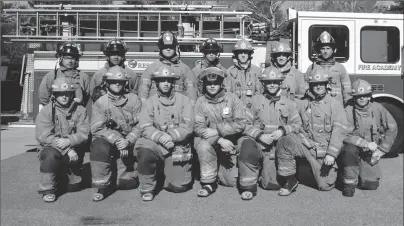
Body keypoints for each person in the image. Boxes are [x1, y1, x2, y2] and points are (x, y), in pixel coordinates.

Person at [275, 66, 348, 196]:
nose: (318, 86)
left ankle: (332, 171)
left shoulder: (335, 104)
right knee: (285, 141)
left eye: (321, 84)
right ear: (310, 85)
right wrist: (283, 130)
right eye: (315, 84)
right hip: (306, 145)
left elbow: (339, 131)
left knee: (325, 185)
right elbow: (295, 124)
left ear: (326, 85)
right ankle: (290, 180)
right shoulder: (303, 104)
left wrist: (331, 154)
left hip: (324, 151)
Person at [238, 67, 302, 200]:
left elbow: (297, 124)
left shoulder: (289, 103)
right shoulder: (254, 101)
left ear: (280, 83)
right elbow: (244, 124)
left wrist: (282, 131)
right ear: (263, 83)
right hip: (260, 143)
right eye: (268, 82)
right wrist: (259, 135)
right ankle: (249, 187)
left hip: (279, 146)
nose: (272, 84)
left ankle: (290, 180)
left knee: (270, 184)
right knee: (246, 145)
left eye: (275, 81)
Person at [135, 65, 194, 201]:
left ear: (173, 82)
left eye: (169, 80)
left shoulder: (184, 101)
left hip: (176, 145)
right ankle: (147, 188)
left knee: (179, 187)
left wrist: (171, 136)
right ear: (156, 83)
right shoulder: (150, 102)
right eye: (162, 80)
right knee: (144, 149)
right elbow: (145, 126)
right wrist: (161, 137)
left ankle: (163, 173)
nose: (166, 84)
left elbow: (188, 126)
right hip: (156, 144)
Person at [90, 65, 142, 202]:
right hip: (110, 141)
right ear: (107, 83)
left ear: (125, 83)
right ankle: (102, 186)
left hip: (131, 141)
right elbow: (97, 128)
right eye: (113, 81)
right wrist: (118, 140)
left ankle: (131, 172)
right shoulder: (101, 103)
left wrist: (128, 140)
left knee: (126, 184)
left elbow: (141, 124)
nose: (117, 84)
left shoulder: (134, 100)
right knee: (98, 145)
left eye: (120, 81)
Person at [194, 67, 247, 198]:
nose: (212, 86)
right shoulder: (200, 102)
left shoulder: (232, 99)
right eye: (209, 84)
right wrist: (219, 139)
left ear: (221, 84)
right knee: (202, 145)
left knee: (231, 182)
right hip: (210, 142)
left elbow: (241, 123)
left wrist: (217, 130)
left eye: (215, 83)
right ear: (204, 84)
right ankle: (208, 183)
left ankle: (218, 169)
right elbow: (199, 128)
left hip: (230, 144)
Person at [35, 77, 90, 203]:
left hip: (74, 154)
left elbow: (84, 132)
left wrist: (70, 140)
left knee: (73, 187)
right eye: (60, 94)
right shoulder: (46, 111)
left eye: (67, 94)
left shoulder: (80, 110)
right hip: (52, 150)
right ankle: (47, 190)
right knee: (50, 155)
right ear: (54, 95)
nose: (64, 97)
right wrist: (66, 147)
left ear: (72, 94)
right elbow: (44, 136)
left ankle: (63, 175)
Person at [340, 79, 397, 197]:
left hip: (369, 153)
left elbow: (392, 127)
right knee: (349, 150)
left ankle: (359, 171)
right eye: (359, 96)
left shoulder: (378, 108)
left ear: (369, 96)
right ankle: (349, 184)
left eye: (365, 95)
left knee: (371, 185)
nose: (362, 98)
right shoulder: (348, 110)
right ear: (354, 97)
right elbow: (344, 134)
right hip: (353, 149)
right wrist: (365, 144)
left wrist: (381, 150)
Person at [138, 31, 197, 105]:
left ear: (175, 47)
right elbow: (143, 90)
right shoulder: (151, 68)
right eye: (165, 47)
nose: (168, 49)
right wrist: (146, 108)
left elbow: (191, 92)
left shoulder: (185, 69)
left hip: (178, 109)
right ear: (160, 47)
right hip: (155, 109)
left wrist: (190, 110)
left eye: (171, 46)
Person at [39, 42, 90, 110]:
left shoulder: (83, 77)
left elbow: (86, 98)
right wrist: (53, 110)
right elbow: (43, 97)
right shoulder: (51, 76)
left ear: (77, 60)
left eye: (73, 58)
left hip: (76, 114)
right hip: (56, 114)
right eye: (66, 58)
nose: (70, 61)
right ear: (60, 58)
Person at [305, 31, 351, 105]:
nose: (325, 51)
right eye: (323, 49)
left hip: (336, 107)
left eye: (328, 48)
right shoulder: (312, 68)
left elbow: (347, 90)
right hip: (318, 107)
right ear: (319, 50)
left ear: (332, 50)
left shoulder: (340, 68)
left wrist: (347, 108)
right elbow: (305, 89)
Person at [226, 39, 262, 106]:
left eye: (245, 52)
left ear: (249, 54)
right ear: (236, 54)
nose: (243, 55)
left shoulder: (257, 72)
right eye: (240, 52)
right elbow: (227, 96)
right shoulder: (229, 72)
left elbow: (260, 94)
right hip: (236, 111)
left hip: (253, 111)